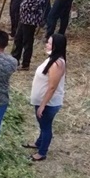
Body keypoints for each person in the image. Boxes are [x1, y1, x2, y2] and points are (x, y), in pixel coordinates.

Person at [26, 34, 67, 162]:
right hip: (42, 101)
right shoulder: (52, 59)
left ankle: (42, 152)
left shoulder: (56, 64)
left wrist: (43, 104)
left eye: (49, 43)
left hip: (49, 103)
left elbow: (52, 87)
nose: (46, 45)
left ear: (55, 46)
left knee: (45, 126)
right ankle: (39, 142)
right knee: (42, 124)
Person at [11, 0, 45, 71]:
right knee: (18, 39)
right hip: (24, 18)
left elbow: (39, 0)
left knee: (27, 41)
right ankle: (14, 60)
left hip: (30, 20)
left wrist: (29, 8)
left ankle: (25, 64)